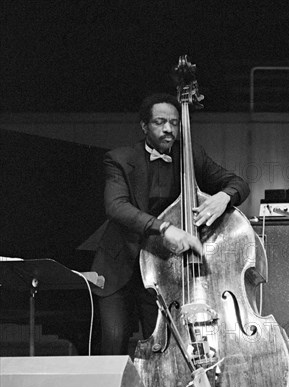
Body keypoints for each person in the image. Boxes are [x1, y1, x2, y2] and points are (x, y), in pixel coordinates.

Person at [91, 92, 249, 355]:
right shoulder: (120, 159)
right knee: (114, 339)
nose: (168, 129)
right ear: (144, 126)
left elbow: (239, 184)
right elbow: (116, 207)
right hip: (120, 266)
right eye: (160, 122)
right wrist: (164, 228)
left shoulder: (190, 156)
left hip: (163, 271)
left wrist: (224, 196)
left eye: (174, 123)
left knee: (162, 347)